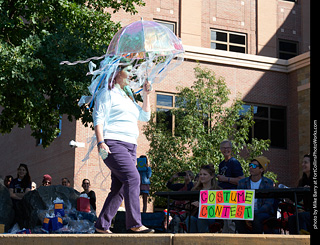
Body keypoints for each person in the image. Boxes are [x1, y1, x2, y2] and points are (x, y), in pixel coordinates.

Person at [93, 58, 154, 234]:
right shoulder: (107, 93)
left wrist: (146, 94)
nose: (131, 74)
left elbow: (145, 117)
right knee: (133, 178)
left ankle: (101, 225)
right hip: (112, 143)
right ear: (118, 72)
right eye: (128, 70)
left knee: (119, 187)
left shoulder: (128, 96)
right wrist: (101, 142)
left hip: (130, 146)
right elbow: (99, 118)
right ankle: (135, 223)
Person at [235, 156, 275, 234]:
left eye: (254, 166)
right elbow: (239, 201)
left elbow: (268, 204)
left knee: (257, 218)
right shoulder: (242, 182)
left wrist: (253, 214)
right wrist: (247, 214)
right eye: (250, 165)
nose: (251, 168)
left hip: (262, 212)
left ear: (261, 169)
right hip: (246, 212)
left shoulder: (268, 183)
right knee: (237, 219)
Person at [217, 140, 244, 233]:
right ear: (221, 150)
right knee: (224, 225)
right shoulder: (221, 164)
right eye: (224, 148)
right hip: (222, 196)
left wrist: (225, 179)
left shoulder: (234, 162)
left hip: (233, 196)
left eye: (228, 147)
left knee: (231, 224)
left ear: (231, 149)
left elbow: (241, 180)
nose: (226, 150)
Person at [185, 165, 221, 233]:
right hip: (195, 216)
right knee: (190, 219)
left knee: (201, 219)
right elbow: (187, 206)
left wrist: (202, 205)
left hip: (211, 217)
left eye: (205, 174)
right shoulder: (195, 190)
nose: (202, 176)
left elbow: (221, 208)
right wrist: (191, 204)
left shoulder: (217, 190)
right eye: (200, 174)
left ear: (212, 176)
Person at [288, 154, 311, 234]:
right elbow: (298, 198)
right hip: (306, 211)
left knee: (301, 217)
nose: (303, 165)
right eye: (302, 162)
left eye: (305, 162)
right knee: (291, 218)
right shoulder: (302, 181)